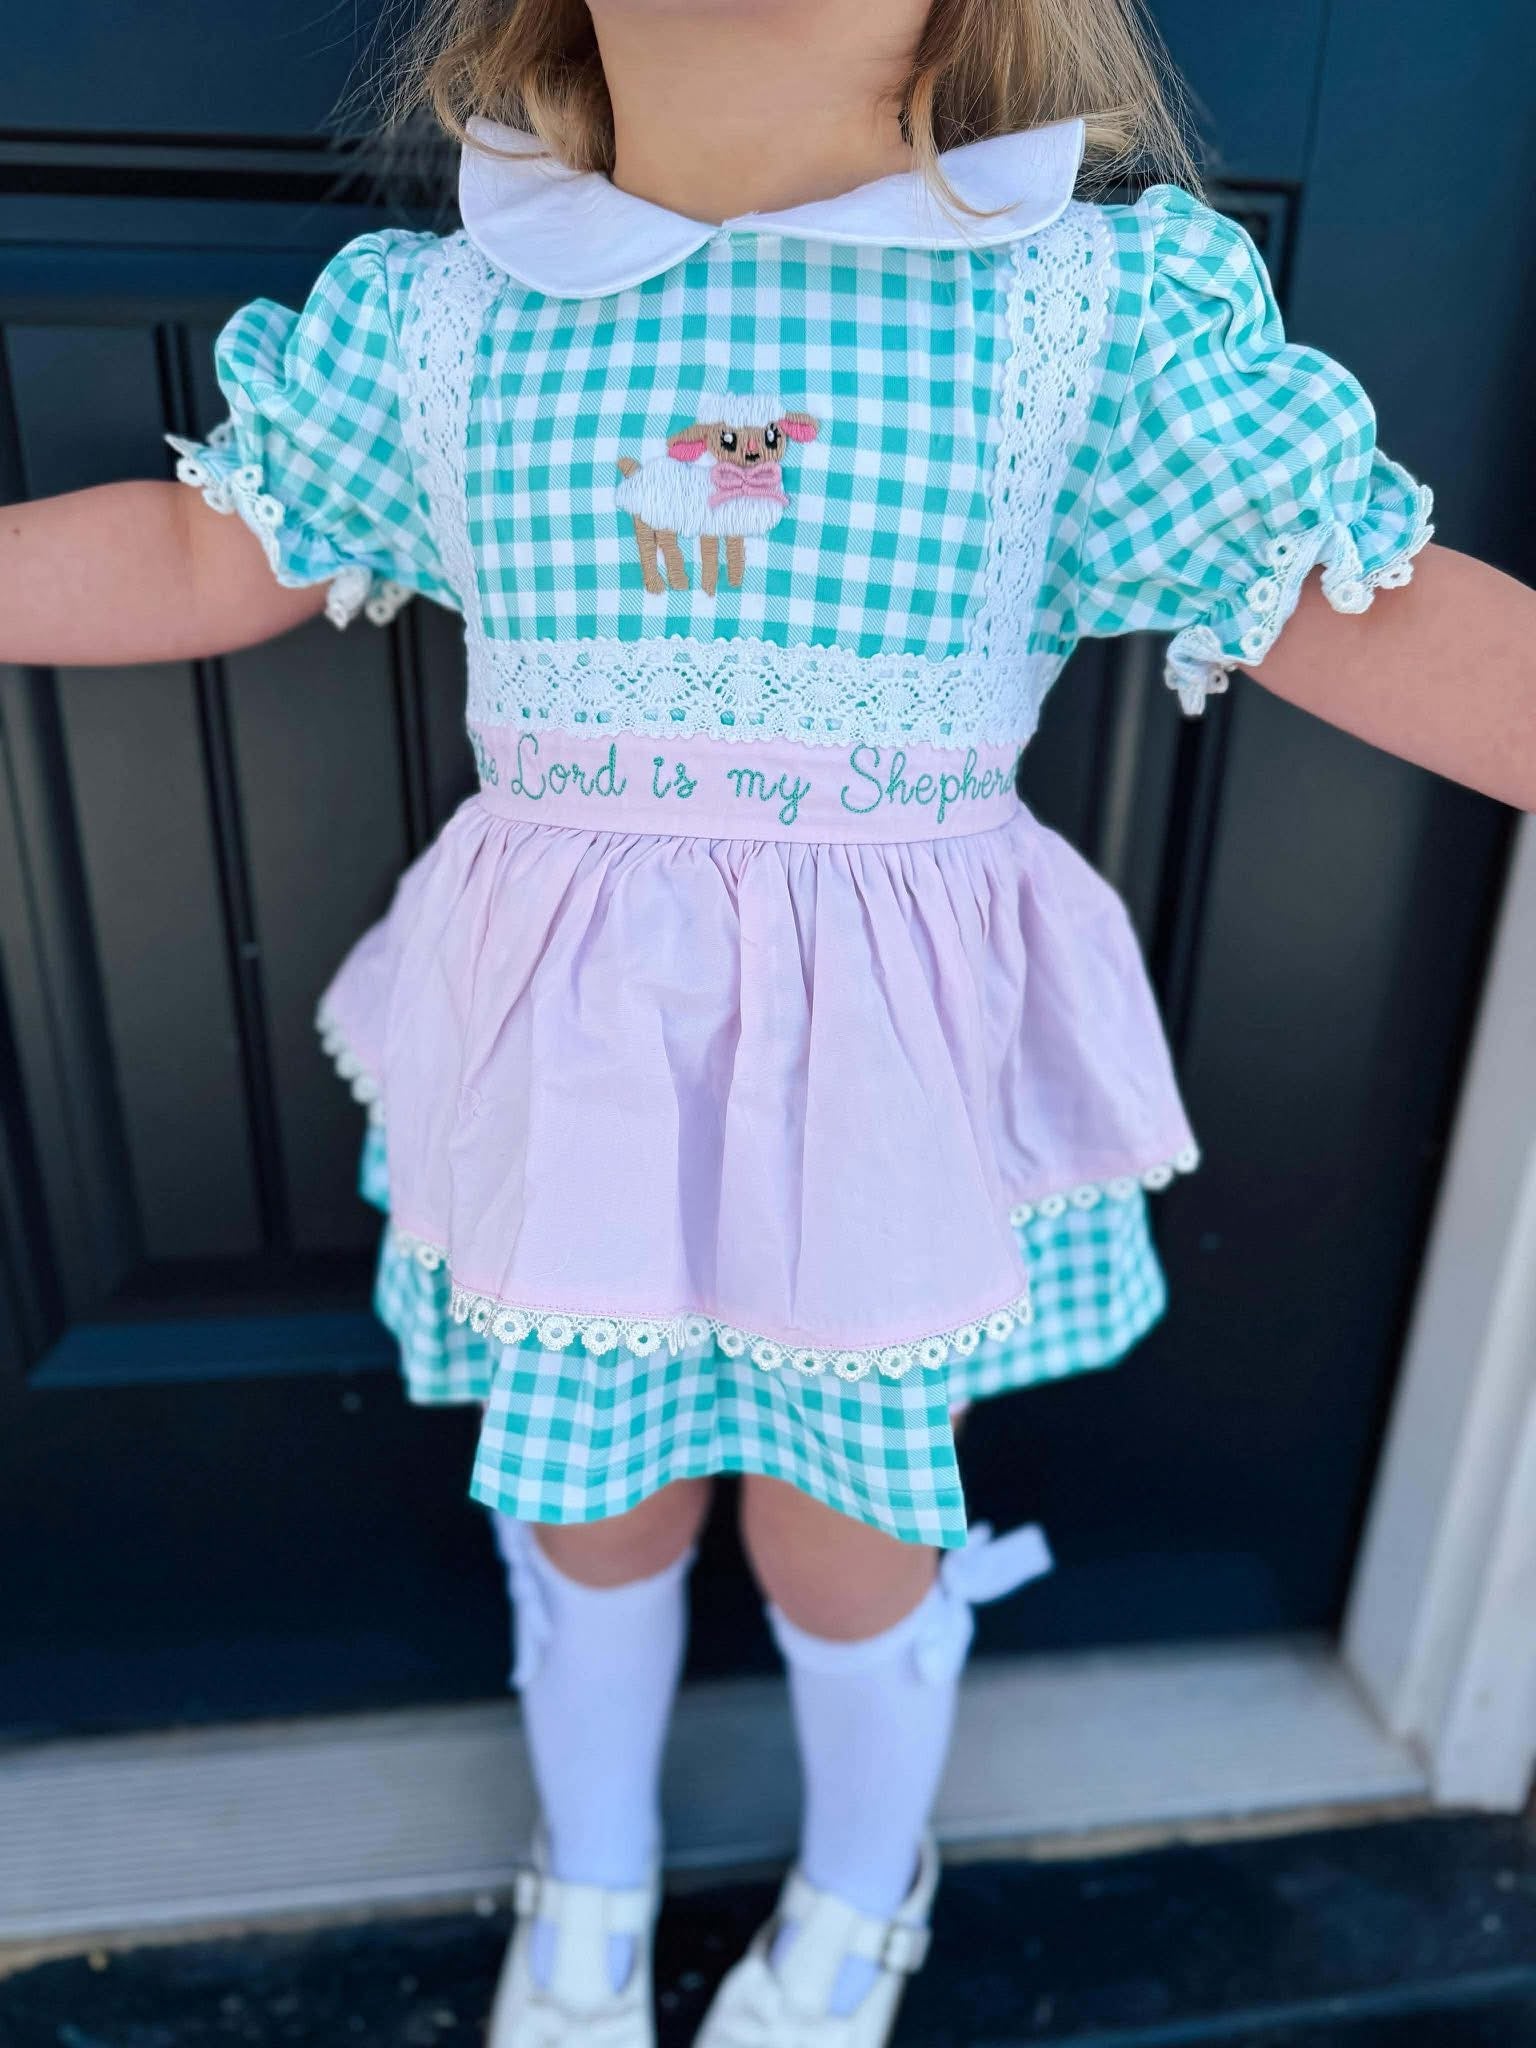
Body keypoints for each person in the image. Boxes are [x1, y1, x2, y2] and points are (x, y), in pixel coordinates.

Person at [4, 2, 1533, 2044]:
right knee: (585, 1499)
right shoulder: (449, 323)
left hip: (868, 1102)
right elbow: (211, 546)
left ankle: (862, 1883)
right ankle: (591, 1880)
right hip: (579, 1077)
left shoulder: (1074, 316)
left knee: (849, 1530)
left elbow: (1367, 599)